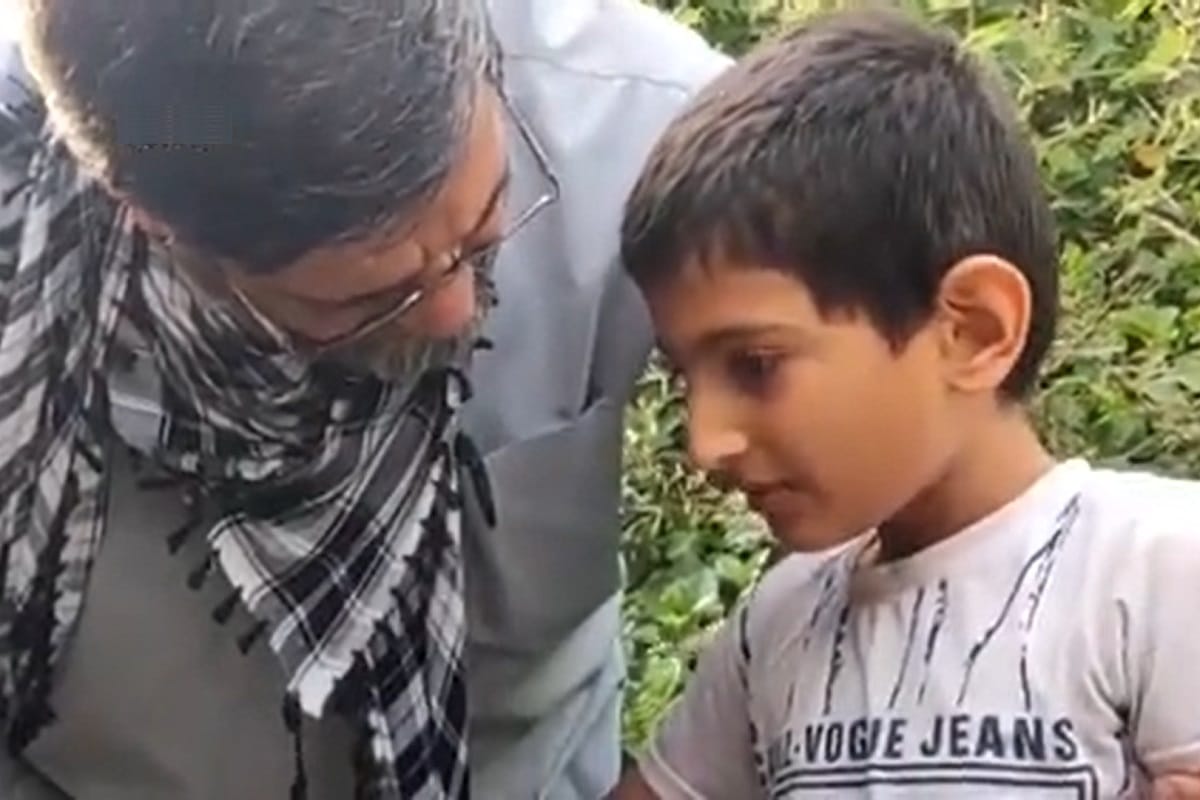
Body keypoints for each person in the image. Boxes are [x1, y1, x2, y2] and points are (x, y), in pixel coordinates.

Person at [0, 0, 727, 797]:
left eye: (485, 229)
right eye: (370, 300)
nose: (456, 312)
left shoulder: (650, 127)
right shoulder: (20, 212)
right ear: (153, 220)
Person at [610, 9, 1200, 798]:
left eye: (755, 364)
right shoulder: (779, 625)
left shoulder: (1155, 570)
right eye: (685, 376)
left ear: (972, 330)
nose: (705, 441)